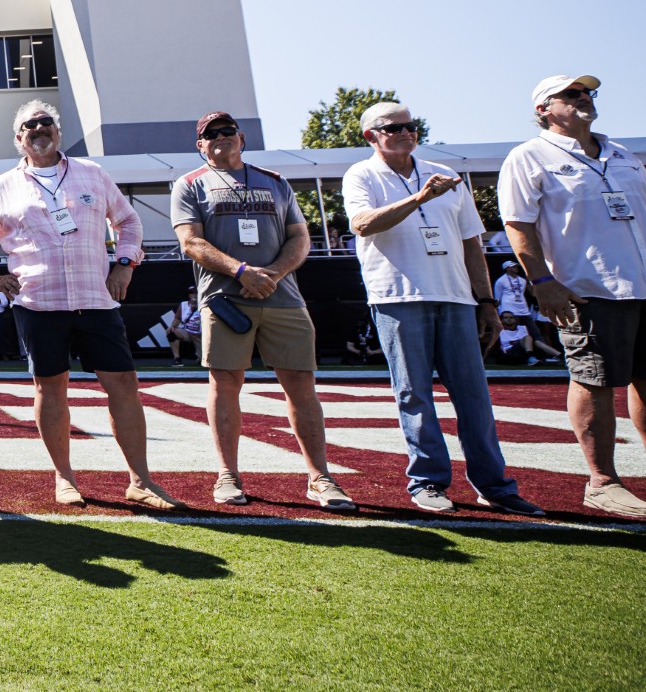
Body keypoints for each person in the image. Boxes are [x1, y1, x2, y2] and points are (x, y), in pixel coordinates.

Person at [0, 100, 179, 510]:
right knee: (51, 388)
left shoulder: (93, 174)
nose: (39, 129)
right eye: (30, 125)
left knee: (124, 386)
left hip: (97, 298)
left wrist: (125, 264)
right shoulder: (3, 185)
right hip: (39, 302)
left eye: (47, 122)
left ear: (57, 131)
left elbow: (128, 222)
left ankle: (141, 480)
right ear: (18, 138)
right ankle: (64, 477)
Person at [342, 102, 543, 515]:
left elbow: (472, 241)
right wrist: (420, 197)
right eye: (392, 127)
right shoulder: (361, 174)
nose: (404, 132)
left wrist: (486, 300)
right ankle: (428, 482)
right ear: (370, 136)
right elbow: (362, 224)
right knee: (414, 394)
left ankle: (495, 485)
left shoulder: (448, 177)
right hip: (397, 297)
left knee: (474, 397)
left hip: (455, 296)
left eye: (410, 126)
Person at [171, 111, 354, 512]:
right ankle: (228, 474)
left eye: (227, 131)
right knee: (225, 386)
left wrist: (272, 273)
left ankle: (320, 477)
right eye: (210, 134)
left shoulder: (276, 181)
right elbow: (191, 243)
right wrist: (240, 271)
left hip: (283, 296)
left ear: (242, 137)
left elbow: (299, 237)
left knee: (301, 387)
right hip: (225, 299)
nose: (220, 137)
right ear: (200, 145)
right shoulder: (188, 185)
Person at [498, 75, 646, 519]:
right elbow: (518, 225)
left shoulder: (624, 155)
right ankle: (602, 481)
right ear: (543, 108)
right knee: (594, 378)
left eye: (587, 93)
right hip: (587, 288)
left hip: (642, 284)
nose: (583, 98)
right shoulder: (529, 157)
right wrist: (544, 283)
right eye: (570, 94)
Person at [166, 296, 200, 367]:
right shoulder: (184, 305)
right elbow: (177, 319)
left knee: (202, 361)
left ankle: (201, 357)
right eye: (191, 293)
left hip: (202, 335)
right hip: (188, 332)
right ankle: (177, 358)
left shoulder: (207, 304)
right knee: (171, 332)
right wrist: (172, 326)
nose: (193, 296)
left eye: (194, 293)